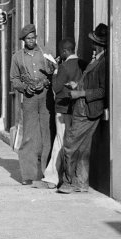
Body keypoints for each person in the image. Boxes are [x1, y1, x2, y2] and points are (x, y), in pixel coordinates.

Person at [57, 23, 108, 194]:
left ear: (100, 44)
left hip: (87, 110)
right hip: (84, 109)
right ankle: (82, 182)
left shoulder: (103, 63)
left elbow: (102, 90)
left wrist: (80, 94)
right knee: (84, 148)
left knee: (70, 144)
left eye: (94, 42)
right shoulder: (97, 60)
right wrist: (76, 85)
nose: (92, 45)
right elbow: (90, 83)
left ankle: (68, 182)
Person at [9, 23, 56, 185]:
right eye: (28, 38)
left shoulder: (46, 53)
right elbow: (14, 79)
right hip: (29, 98)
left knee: (47, 133)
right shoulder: (17, 57)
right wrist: (24, 88)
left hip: (46, 97)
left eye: (33, 37)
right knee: (29, 135)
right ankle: (28, 175)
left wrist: (46, 82)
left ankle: (47, 173)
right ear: (23, 40)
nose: (31, 41)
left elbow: (55, 72)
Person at [38, 38, 80, 189]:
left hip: (62, 109)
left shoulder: (64, 67)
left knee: (60, 142)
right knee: (68, 142)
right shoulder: (82, 64)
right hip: (76, 109)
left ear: (64, 51)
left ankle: (52, 177)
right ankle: (66, 176)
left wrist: (55, 70)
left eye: (61, 52)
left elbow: (56, 87)